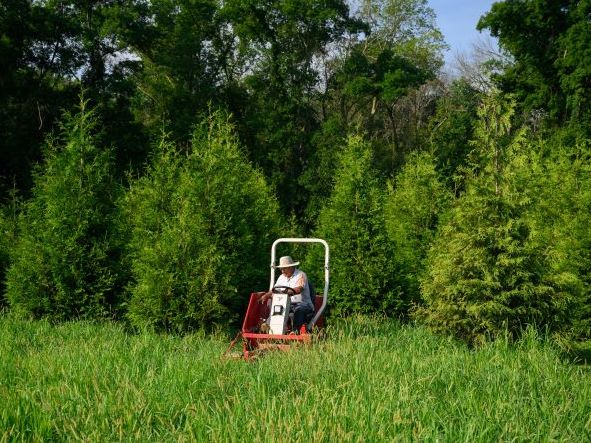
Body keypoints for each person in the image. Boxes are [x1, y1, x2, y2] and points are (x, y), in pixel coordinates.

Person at [258, 256, 314, 333]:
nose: (282, 271)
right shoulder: (281, 277)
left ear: (291, 267)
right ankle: (268, 328)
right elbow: (275, 289)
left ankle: (295, 332)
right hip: (287, 303)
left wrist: (287, 292)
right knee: (275, 306)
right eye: (281, 269)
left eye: (284, 268)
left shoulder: (301, 275)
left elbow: (299, 289)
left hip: (302, 304)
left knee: (299, 309)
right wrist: (266, 295)